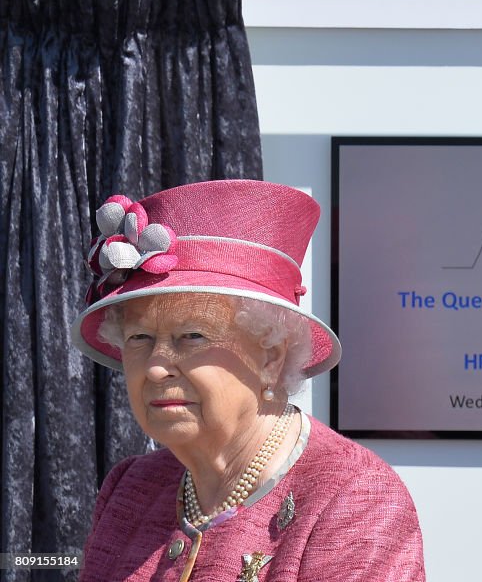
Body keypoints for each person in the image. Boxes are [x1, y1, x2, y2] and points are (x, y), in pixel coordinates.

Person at [73, 180, 425, 581]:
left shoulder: (353, 499)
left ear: (271, 356)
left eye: (192, 336)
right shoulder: (130, 489)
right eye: (140, 338)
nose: (155, 367)